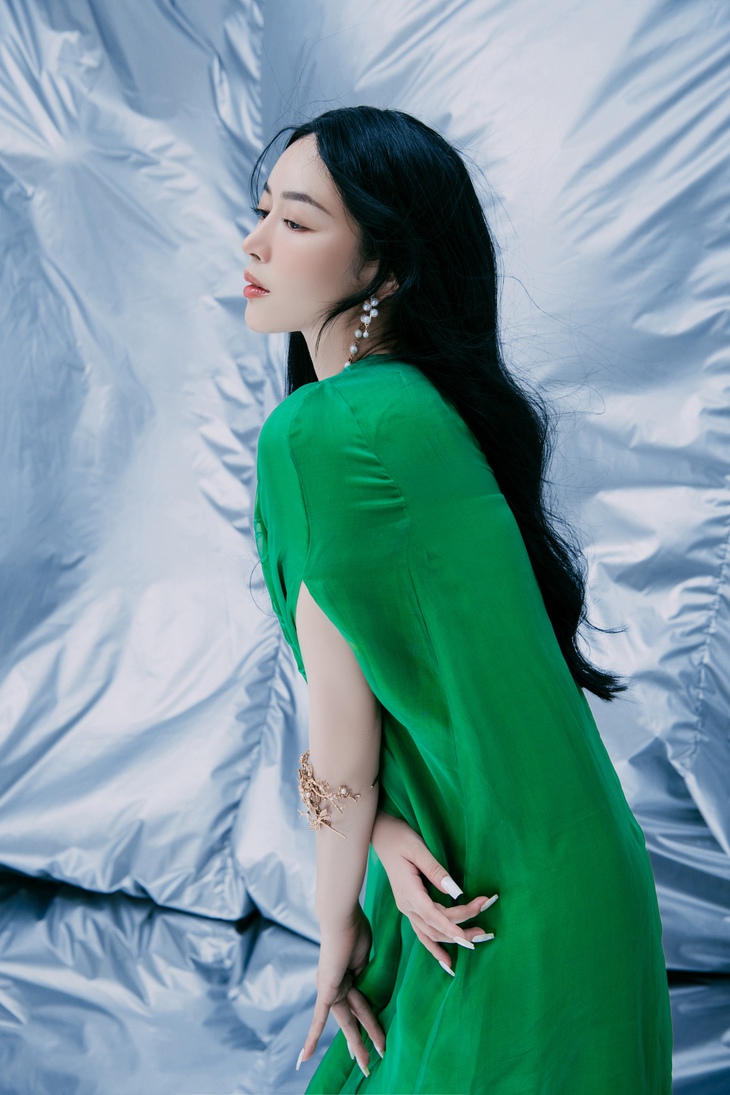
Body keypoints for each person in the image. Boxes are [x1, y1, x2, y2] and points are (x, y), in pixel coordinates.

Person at [243, 106, 673, 1094]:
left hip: (490, 909)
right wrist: (387, 837)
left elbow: (345, 740)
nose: (256, 244)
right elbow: (429, 704)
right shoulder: (423, 408)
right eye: (262, 213)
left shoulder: (320, 431)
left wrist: (334, 920)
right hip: (560, 886)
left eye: (297, 222)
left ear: (385, 266)